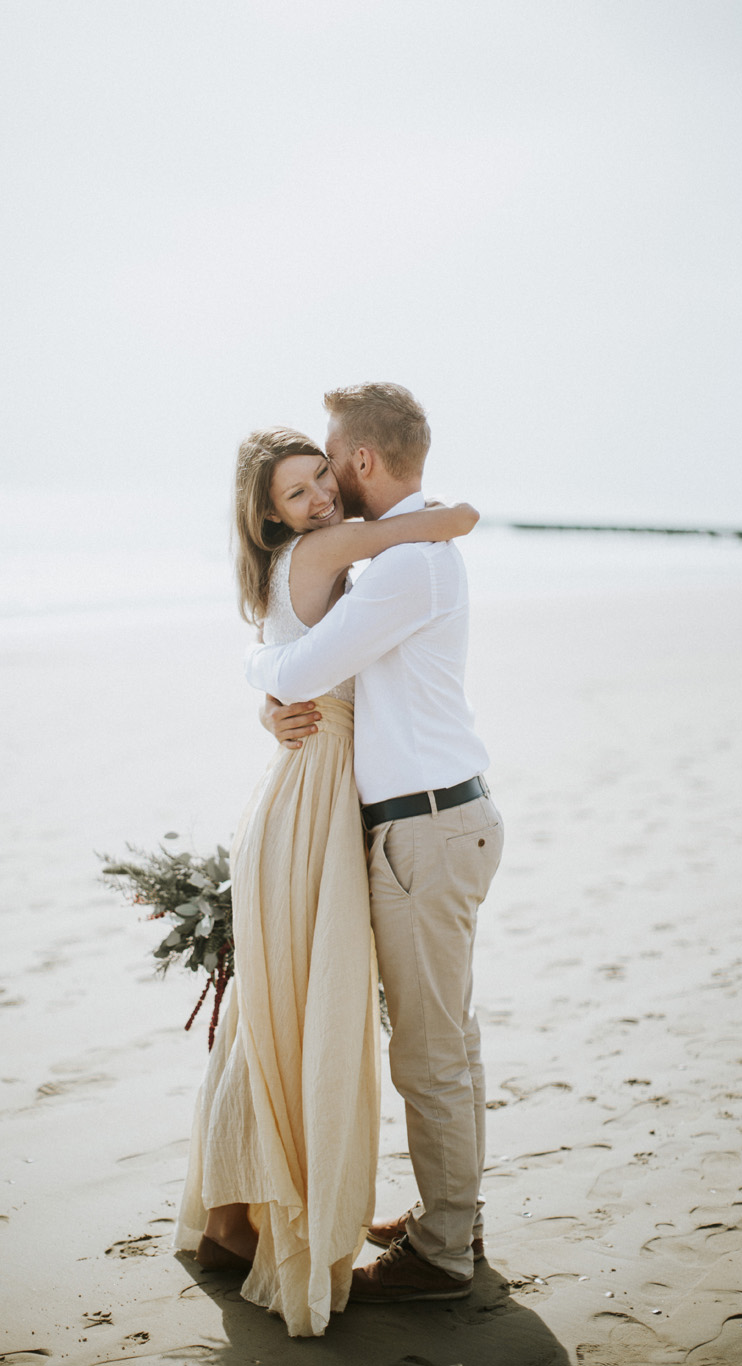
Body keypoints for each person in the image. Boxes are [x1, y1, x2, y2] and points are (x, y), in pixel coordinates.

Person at [176, 426, 478, 1337]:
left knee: (291, 1011)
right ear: (268, 515)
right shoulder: (330, 547)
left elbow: (278, 654)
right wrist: (451, 513)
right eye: (297, 492)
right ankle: (299, 1214)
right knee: (315, 1013)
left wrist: (262, 681)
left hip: (301, 798)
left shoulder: (288, 568)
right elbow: (446, 522)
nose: (320, 499)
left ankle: (259, 1210)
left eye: (321, 480)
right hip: (312, 807)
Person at [248, 383, 504, 1305]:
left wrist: (257, 673)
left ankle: (441, 1253)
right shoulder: (415, 547)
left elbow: (305, 667)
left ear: (359, 461)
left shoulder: (407, 563)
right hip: (440, 818)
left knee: (430, 1053)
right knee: (450, 1042)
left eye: (328, 460)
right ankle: (455, 1214)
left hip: (425, 826)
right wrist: (271, 684)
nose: (323, 484)